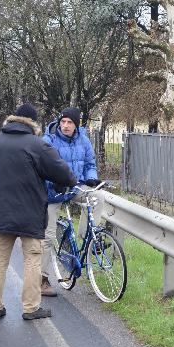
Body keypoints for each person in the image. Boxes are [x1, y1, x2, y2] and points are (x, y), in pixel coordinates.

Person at [0, 103, 77, 320]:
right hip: (30, 213)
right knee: (32, 259)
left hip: (1, 212)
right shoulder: (37, 145)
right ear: (33, 122)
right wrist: (64, 183)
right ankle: (30, 308)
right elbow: (64, 173)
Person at [40, 106, 101, 297]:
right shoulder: (48, 140)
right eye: (63, 122)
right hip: (53, 191)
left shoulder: (83, 140)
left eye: (70, 122)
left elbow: (90, 164)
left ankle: (88, 236)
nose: (65, 126)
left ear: (76, 125)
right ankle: (41, 279)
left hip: (75, 187)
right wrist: (54, 181)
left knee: (98, 197)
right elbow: (41, 166)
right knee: (47, 237)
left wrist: (91, 178)